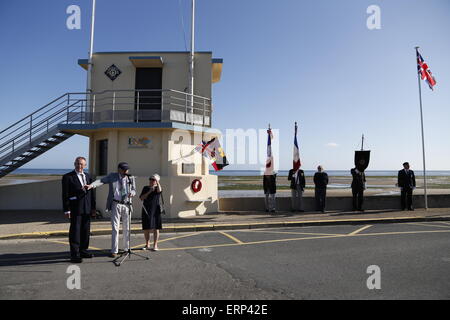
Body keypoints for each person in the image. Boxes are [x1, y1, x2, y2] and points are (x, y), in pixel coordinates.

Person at [87, 162, 136, 258]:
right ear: (119, 169)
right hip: (115, 203)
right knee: (115, 228)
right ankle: (114, 250)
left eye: (127, 169)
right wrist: (91, 185)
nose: (126, 171)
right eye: (124, 169)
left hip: (127, 205)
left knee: (127, 228)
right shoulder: (112, 176)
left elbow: (134, 189)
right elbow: (101, 181)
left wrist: (132, 193)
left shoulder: (131, 178)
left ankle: (126, 248)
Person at [62, 157, 96, 263]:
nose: (79, 166)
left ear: (85, 165)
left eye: (81, 164)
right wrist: (67, 210)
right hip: (75, 208)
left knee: (85, 231)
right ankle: (74, 254)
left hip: (87, 208)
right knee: (75, 232)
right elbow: (65, 194)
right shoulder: (68, 177)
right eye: (77, 164)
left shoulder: (88, 176)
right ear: (74, 164)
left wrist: (93, 208)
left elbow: (92, 194)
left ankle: (83, 251)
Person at [140, 174, 163, 251]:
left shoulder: (157, 188)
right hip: (146, 209)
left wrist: (157, 182)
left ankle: (155, 245)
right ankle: (147, 244)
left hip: (155, 210)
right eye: (150, 179)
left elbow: (160, 190)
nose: (151, 181)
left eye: (153, 180)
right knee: (146, 227)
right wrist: (149, 191)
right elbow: (141, 198)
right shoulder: (145, 188)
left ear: (156, 181)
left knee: (156, 228)